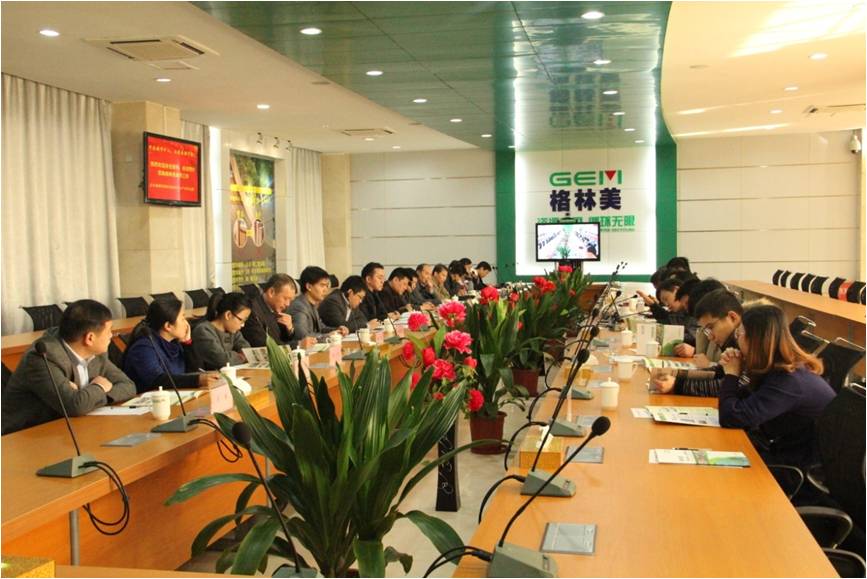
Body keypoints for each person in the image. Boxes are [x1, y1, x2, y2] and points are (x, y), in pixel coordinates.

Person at [717, 303, 834, 468]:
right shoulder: (779, 368)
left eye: (739, 333)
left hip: (793, 466)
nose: (737, 339)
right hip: (780, 448)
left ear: (755, 340)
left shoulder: (789, 380)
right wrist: (736, 371)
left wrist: (732, 375)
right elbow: (743, 401)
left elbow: (731, 417)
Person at [1, 299, 136, 434]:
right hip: (25, 435)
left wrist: (90, 397)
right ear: (90, 338)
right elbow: (75, 406)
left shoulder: (97, 354)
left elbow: (128, 386)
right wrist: (99, 387)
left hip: (70, 428)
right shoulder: (42, 357)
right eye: (109, 331)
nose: (111, 336)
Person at [652, 289, 745, 397]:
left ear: (732, 317)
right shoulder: (732, 342)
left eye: (711, 327)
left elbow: (732, 386)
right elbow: (718, 373)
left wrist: (677, 385)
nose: (710, 337)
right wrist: (677, 375)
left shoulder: (751, 344)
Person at [123, 298, 220, 393]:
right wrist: (197, 380)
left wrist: (188, 343)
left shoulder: (174, 342)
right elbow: (157, 381)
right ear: (168, 326)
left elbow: (195, 370)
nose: (187, 324)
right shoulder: (143, 348)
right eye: (182, 318)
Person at [288, 266, 349, 343]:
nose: (326, 290)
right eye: (322, 285)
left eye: (327, 286)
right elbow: (303, 336)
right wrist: (327, 336)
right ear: (309, 286)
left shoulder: (312, 304)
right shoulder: (299, 306)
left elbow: (321, 328)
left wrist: (337, 330)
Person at [192, 292, 252, 370]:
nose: (243, 325)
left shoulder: (233, 331)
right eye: (241, 320)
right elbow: (222, 360)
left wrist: (236, 356)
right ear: (228, 315)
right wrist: (241, 357)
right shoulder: (203, 331)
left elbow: (247, 350)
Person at [241, 273, 298, 348]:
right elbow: (265, 345)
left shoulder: (279, 308)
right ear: (271, 292)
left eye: (290, 300)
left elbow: (285, 339)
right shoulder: (253, 310)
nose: (288, 304)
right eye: (285, 298)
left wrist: (290, 329)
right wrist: (297, 345)